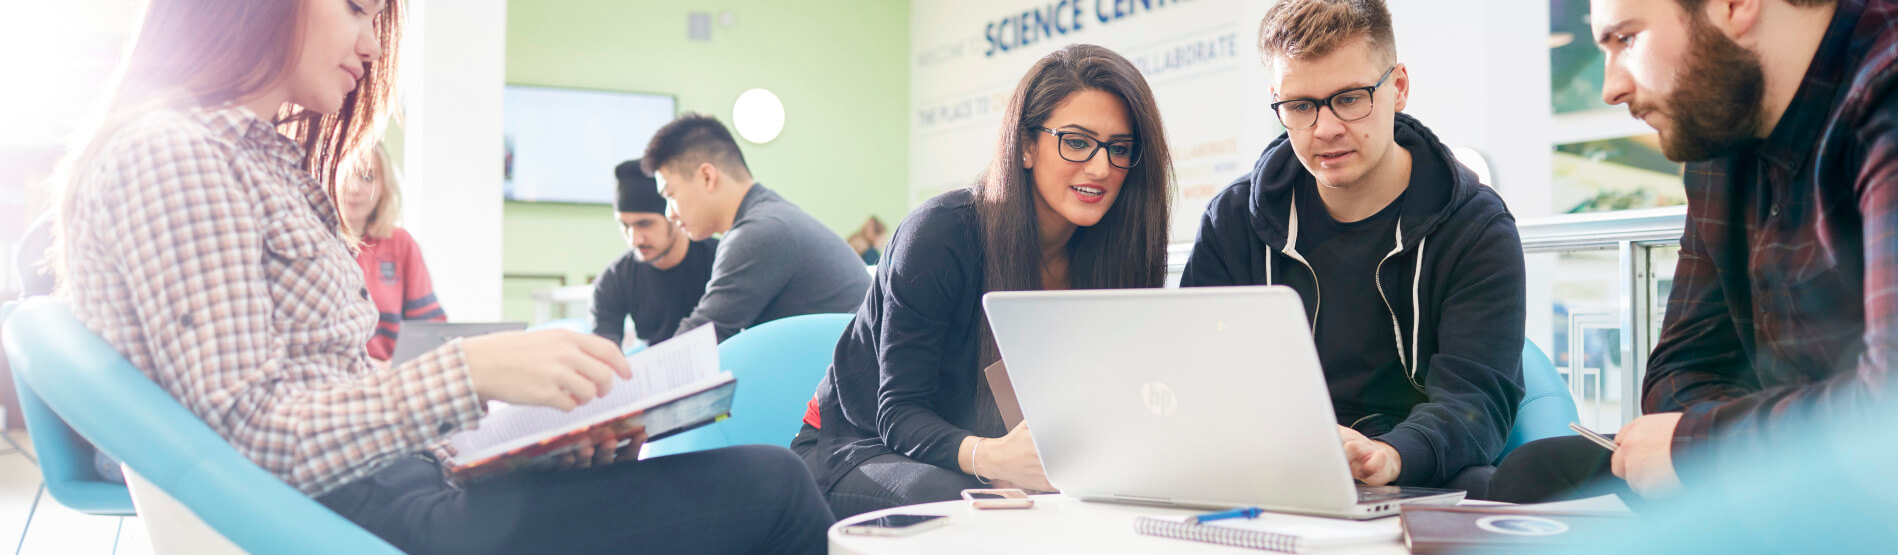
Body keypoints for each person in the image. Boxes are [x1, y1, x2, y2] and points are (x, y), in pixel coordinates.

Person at [49, 1, 831, 553]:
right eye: (357, 8)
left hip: (397, 486)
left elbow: (310, 396)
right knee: (777, 487)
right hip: (367, 512)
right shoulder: (172, 155)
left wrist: (521, 441)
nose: (370, 46)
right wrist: (469, 370)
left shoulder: (237, 156)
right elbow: (254, 430)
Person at [1490, 0, 1898, 503]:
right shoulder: (1722, 136)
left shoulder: (1885, 90)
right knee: (1531, 474)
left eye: (1627, 39)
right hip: (1794, 479)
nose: (1610, 87)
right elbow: (1677, 372)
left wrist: (1701, 448)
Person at [794, 43, 1176, 518]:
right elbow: (898, 414)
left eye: (1119, 149)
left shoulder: (1117, 252)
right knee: (968, 509)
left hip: (995, 462)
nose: (1101, 168)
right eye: (1076, 141)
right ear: (1025, 145)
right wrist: (993, 458)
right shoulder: (941, 233)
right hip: (859, 446)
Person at [1180, 0, 1526, 498]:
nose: (1325, 129)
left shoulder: (1475, 227)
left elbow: (1475, 402)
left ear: (1398, 87)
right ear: (1277, 102)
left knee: (1480, 489)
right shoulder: (1233, 221)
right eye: (1300, 106)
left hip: (1409, 472)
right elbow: (1197, 375)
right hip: (1270, 472)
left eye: (1349, 98)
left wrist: (1390, 455)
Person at [642, 114, 871, 341]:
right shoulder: (772, 215)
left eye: (670, 195)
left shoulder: (757, 233)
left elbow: (698, 341)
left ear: (707, 177)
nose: (669, 213)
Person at [590, 159, 717, 348]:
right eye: (625, 225)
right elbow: (603, 352)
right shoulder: (615, 279)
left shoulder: (720, 259)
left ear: (673, 214)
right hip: (656, 370)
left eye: (645, 224)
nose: (635, 240)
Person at [338, 142, 445, 362]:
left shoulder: (400, 244)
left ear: (384, 187)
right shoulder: (313, 241)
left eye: (368, 178)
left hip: (391, 378)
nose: (355, 188)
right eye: (346, 175)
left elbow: (429, 331)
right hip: (334, 377)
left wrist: (391, 368)